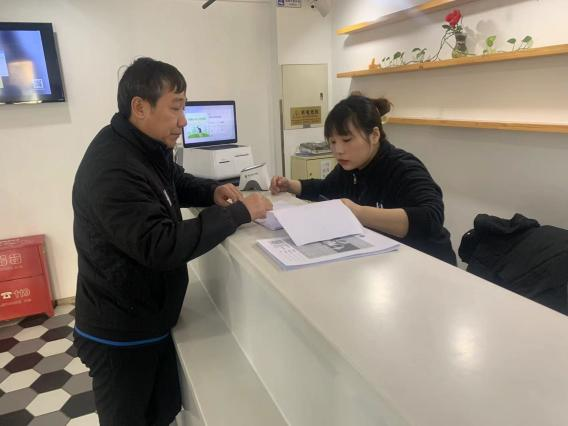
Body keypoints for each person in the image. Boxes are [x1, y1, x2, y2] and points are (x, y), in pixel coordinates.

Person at [72, 57, 272, 426]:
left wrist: (211, 192)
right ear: (140, 107)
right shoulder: (112, 167)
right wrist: (238, 214)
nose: (183, 122)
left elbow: (173, 180)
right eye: (176, 108)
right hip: (120, 331)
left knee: (160, 413)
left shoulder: (143, 147)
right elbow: (159, 244)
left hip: (148, 316)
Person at [270, 94, 456, 265]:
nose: (338, 150)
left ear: (374, 135)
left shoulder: (402, 167)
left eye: (347, 140)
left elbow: (430, 217)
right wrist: (290, 185)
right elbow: (326, 188)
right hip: (383, 262)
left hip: (428, 263)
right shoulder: (351, 166)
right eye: (333, 142)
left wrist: (358, 212)